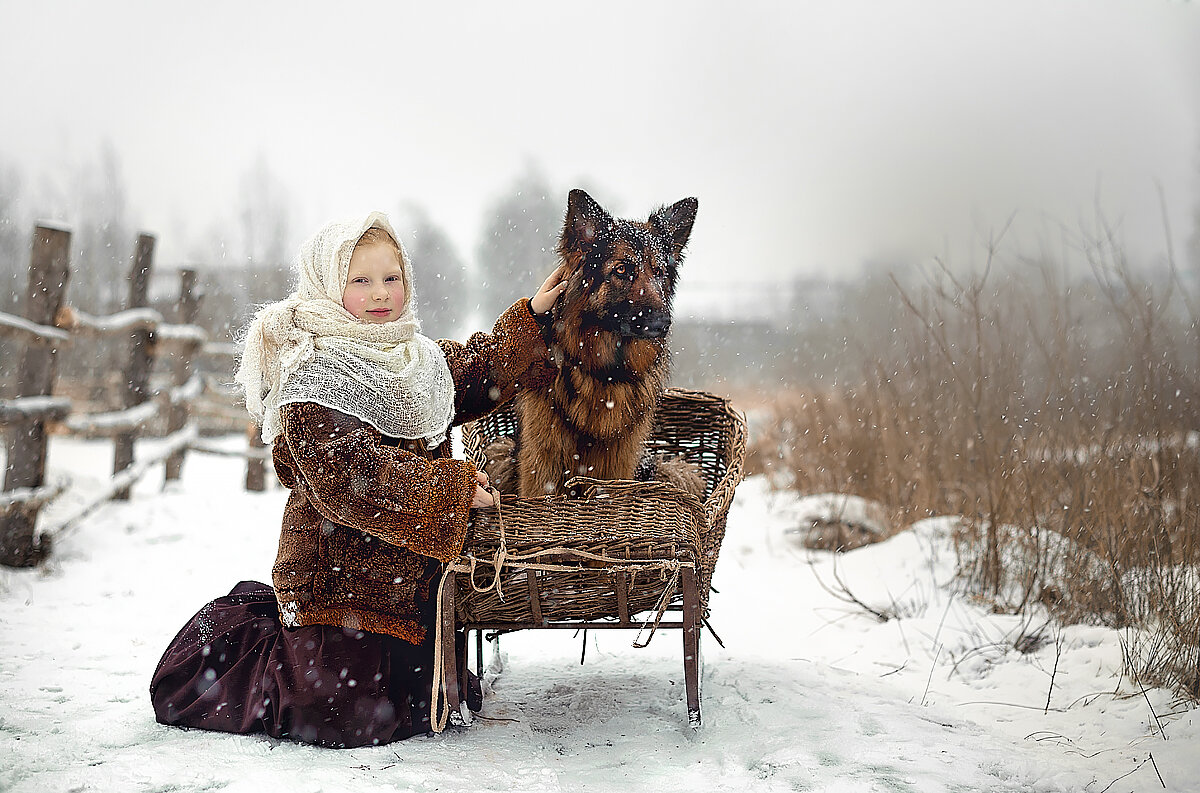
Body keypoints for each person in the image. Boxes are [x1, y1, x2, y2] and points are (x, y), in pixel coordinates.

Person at [149, 211, 566, 748]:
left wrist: (532, 318)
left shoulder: (415, 360)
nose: (380, 295)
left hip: (403, 587)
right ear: (329, 285)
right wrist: (455, 490)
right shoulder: (314, 374)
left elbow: (475, 373)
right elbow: (356, 484)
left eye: (391, 278)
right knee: (348, 718)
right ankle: (242, 647)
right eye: (361, 280)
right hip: (337, 584)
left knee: (430, 703)